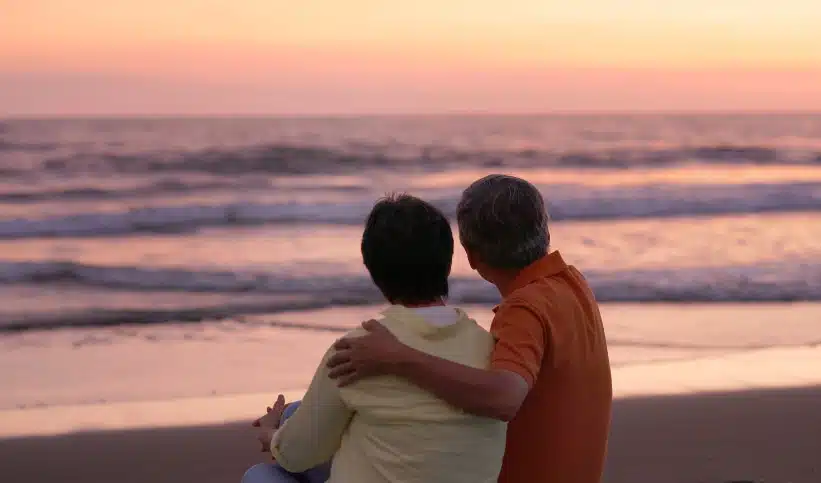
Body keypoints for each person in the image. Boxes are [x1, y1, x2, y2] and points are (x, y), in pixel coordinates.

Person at [327, 175, 613, 483]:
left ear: (471, 255)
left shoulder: (524, 309)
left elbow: (504, 398)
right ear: (543, 230)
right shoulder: (572, 284)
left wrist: (398, 357)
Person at [244, 194, 507, 483]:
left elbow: (296, 458)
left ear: (374, 270)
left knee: (260, 475)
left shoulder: (358, 349)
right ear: (447, 261)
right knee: (295, 412)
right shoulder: (489, 346)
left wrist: (270, 435)